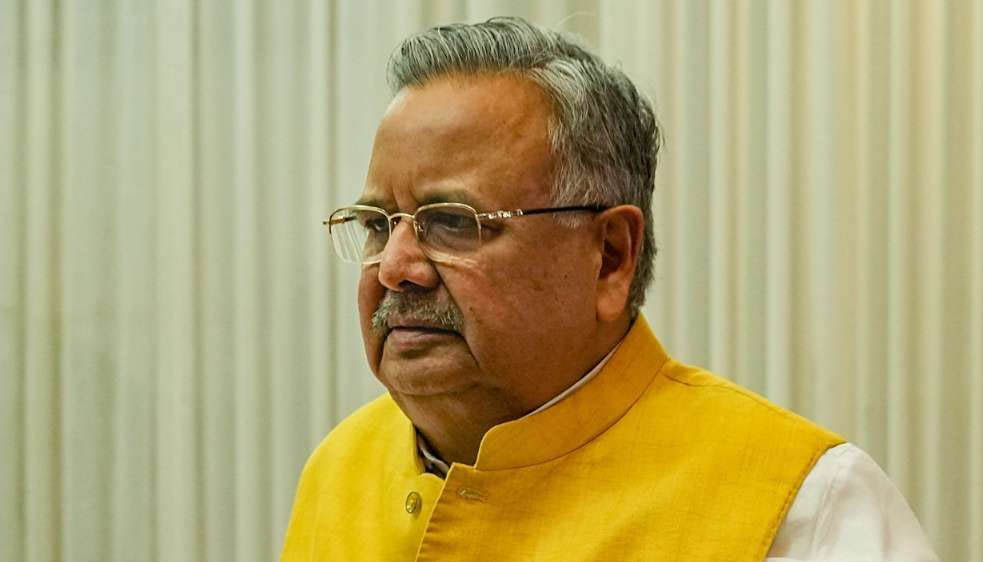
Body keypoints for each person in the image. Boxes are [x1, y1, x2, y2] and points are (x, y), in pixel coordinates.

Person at [282, 17, 937, 561]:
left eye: (452, 222)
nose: (395, 267)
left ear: (609, 257)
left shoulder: (805, 507)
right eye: (377, 225)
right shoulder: (341, 469)